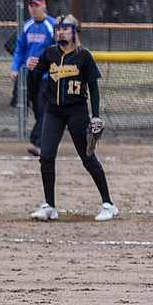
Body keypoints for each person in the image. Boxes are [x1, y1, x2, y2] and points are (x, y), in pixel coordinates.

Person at [28, 14, 118, 222]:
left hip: (77, 111)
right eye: (58, 29)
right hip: (53, 112)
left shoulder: (83, 56)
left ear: (74, 31)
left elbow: (94, 89)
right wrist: (32, 68)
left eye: (65, 28)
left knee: (87, 158)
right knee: (46, 156)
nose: (61, 32)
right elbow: (35, 79)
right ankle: (50, 206)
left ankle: (108, 203)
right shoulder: (49, 54)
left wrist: (95, 117)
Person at [11, 0, 55, 155]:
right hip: (32, 76)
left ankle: (38, 142)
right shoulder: (27, 26)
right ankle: (44, 139)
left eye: (36, 5)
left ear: (44, 6)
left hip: (48, 75)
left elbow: (60, 49)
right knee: (37, 109)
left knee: (44, 108)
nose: (34, 9)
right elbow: (20, 50)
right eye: (31, 6)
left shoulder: (52, 26)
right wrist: (15, 68)